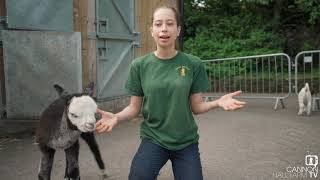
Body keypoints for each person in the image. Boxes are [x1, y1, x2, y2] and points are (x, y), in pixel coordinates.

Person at [95, 5, 246, 180]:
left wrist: (218, 102)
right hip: (154, 139)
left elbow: (196, 107)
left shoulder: (193, 64)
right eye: (158, 24)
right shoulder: (139, 65)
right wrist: (117, 117)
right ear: (152, 31)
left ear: (178, 30)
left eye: (170, 23)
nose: (164, 29)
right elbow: (134, 108)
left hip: (185, 142)